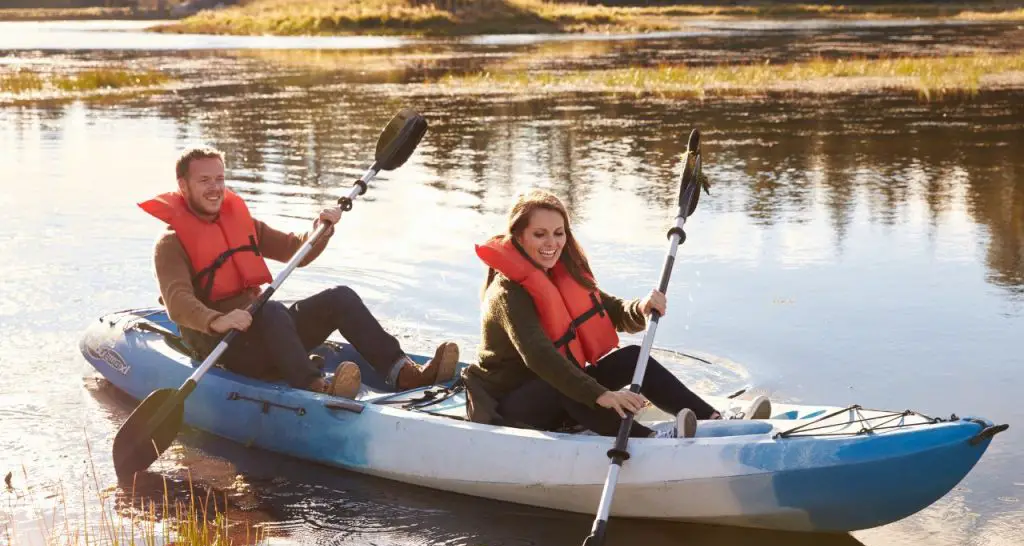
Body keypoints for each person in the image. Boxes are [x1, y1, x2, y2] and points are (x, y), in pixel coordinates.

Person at [142, 146, 459, 399]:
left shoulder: (239, 222)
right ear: (182, 186)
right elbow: (177, 300)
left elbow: (294, 249)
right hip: (225, 346)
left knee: (341, 298)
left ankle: (404, 373)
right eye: (205, 181)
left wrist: (320, 231)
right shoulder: (171, 243)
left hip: (265, 330)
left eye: (220, 179)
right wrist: (218, 320)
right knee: (272, 309)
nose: (215, 188)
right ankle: (315, 387)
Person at [463, 191, 770, 439]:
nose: (552, 243)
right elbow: (540, 357)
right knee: (568, 385)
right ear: (518, 237)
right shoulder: (507, 293)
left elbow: (608, 309)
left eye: (559, 233)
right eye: (540, 234)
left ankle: (712, 420)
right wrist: (601, 394)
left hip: (554, 388)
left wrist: (639, 308)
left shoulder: (556, 273)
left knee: (632, 357)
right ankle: (649, 439)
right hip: (508, 407)